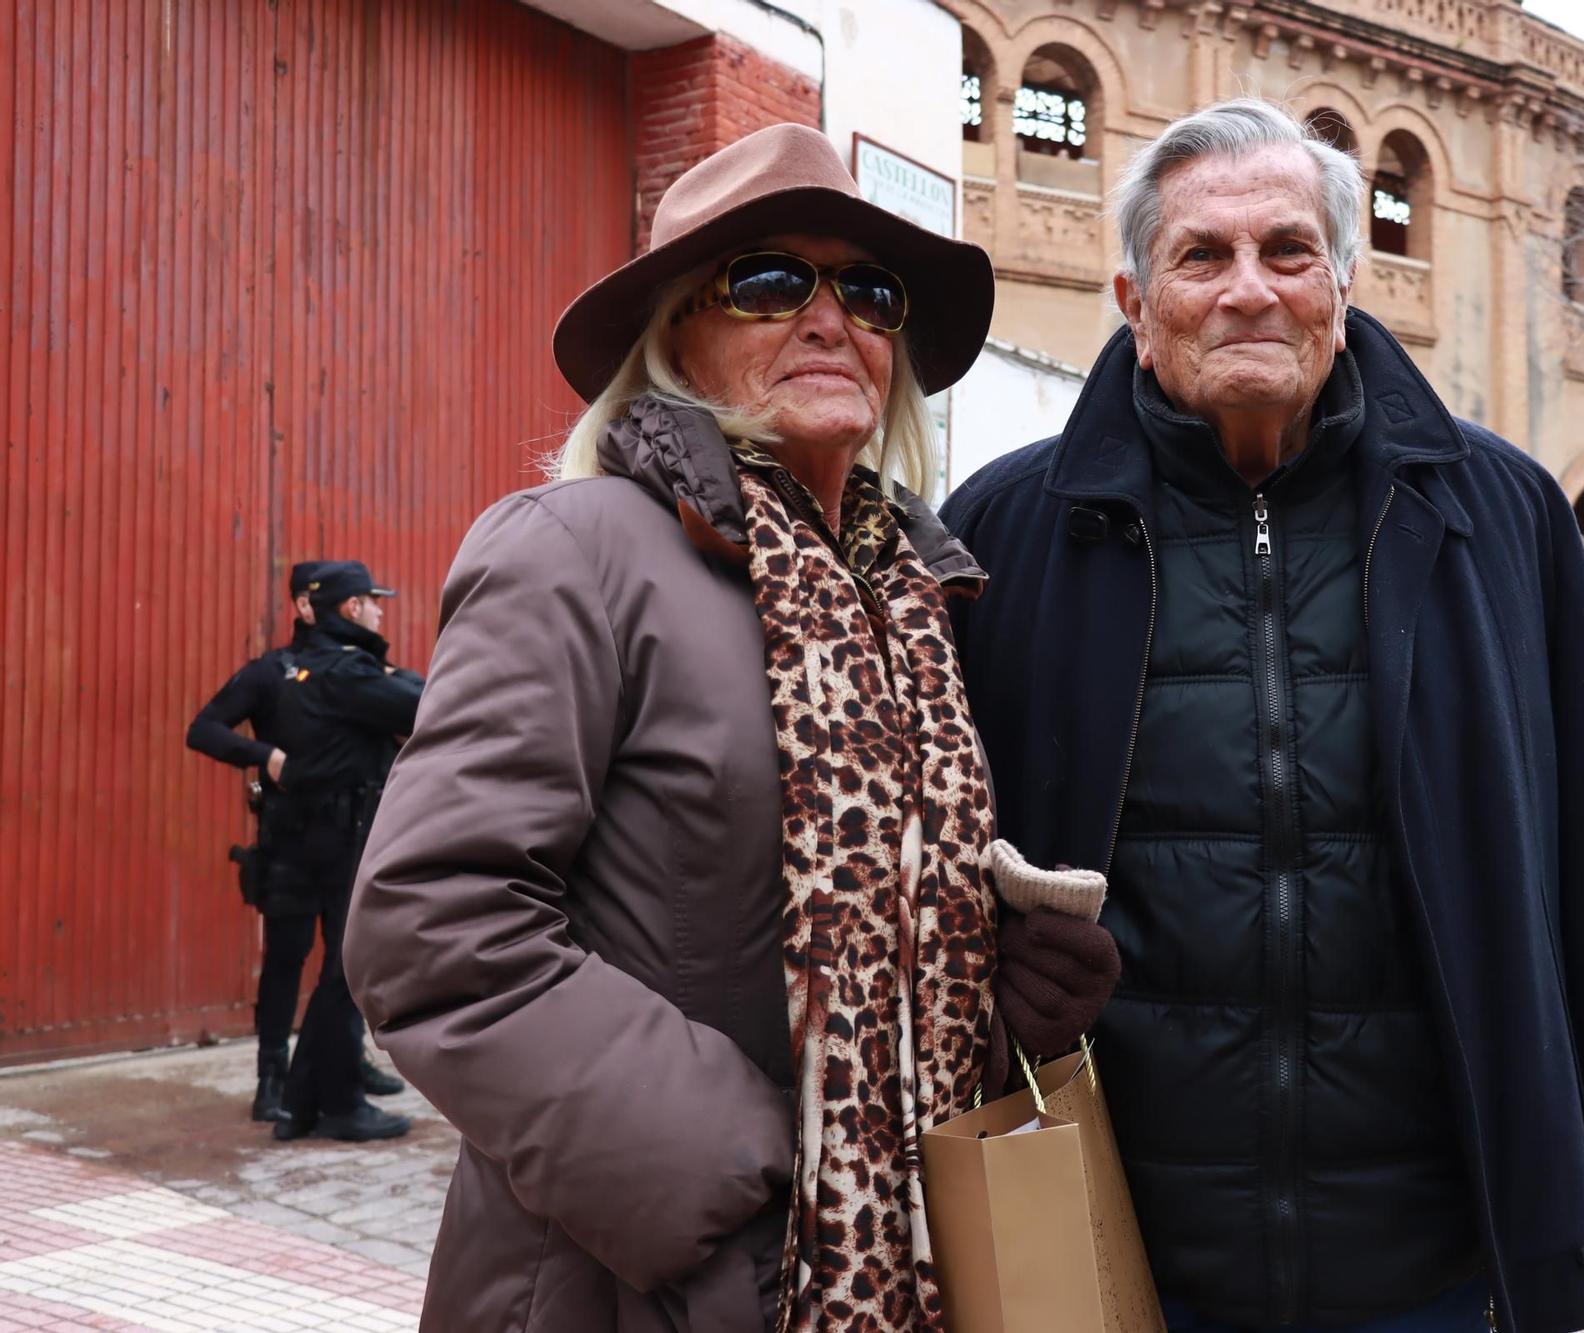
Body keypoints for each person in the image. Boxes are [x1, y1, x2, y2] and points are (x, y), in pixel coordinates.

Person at [345, 124, 1112, 1331]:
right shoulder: (574, 549)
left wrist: (990, 990)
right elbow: (435, 928)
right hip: (639, 1277)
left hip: (903, 1263)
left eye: (868, 289)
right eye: (767, 280)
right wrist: (739, 1183)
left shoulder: (914, 595)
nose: (828, 318)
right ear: (676, 338)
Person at [942, 100, 1584, 1333]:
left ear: (1342, 280)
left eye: (1285, 251)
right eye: (1199, 255)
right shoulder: (1008, 533)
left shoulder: (1496, 516)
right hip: (1117, 1250)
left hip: (1425, 1260)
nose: (1247, 290)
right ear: (1130, 297)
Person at [185, 560, 405, 1121]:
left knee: (346, 961)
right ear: (340, 607)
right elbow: (204, 728)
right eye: (371, 600)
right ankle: (271, 1079)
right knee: (287, 957)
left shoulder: (351, 670)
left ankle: (344, 1064)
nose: (380, 609)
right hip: (289, 839)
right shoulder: (274, 672)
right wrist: (265, 757)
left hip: (345, 837)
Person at [268, 561, 423, 1142]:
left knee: (339, 973)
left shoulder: (309, 666)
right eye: (374, 601)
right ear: (353, 609)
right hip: (349, 836)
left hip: (324, 834)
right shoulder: (348, 672)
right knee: (347, 975)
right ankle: (337, 1105)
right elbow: (426, 702)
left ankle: (300, 1104)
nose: (382, 610)